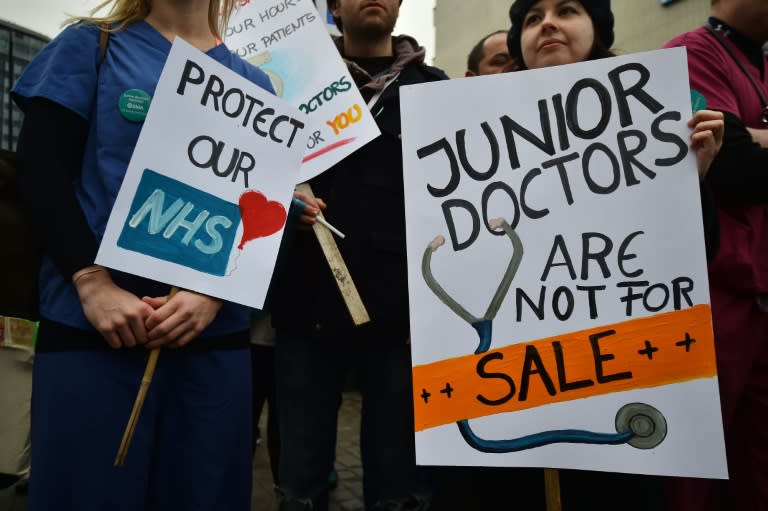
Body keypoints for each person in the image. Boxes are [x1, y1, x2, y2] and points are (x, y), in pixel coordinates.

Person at [10, 1, 317, 509]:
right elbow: (41, 173)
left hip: (210, 345)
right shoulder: (91, 45)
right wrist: (92, 283)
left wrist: (213, 294)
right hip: (93, 334)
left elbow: (255, 213)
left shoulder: (255, 88)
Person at [504, 1, 725, 509]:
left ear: (598, 31)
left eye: (567, 10)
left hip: (619, 378)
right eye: (532, 17)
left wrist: (691, 185)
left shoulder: (655, 124)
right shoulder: (466, 127)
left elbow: (697, 258)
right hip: (513, 383)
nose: (548, 24)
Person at [268, 0, 448, 509]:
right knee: (300, 485)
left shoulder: (439, 90)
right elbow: (252, 172)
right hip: (306, 310)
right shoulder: (289, 85)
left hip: (406, 320)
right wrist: (284, 203)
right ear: (333, 6)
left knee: (398, 486)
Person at [663, 1, 768, 509]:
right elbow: (735, 163)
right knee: (693, 470)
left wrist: (754, 138)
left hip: (758, 299)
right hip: (718, 295)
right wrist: (748, 145)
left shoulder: (758, 60)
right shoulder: (691, 53)